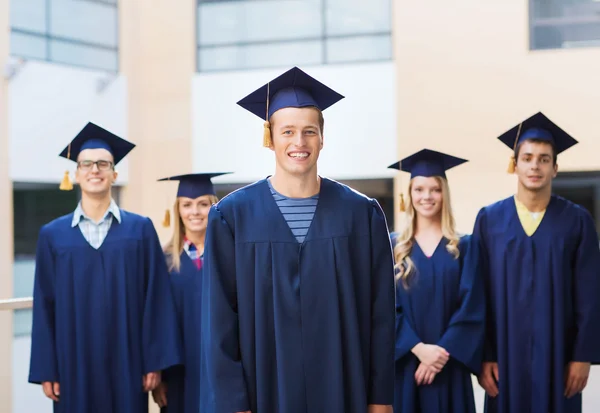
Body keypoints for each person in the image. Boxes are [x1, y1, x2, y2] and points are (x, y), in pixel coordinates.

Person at [200, 66, 396, 413]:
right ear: (270, 138)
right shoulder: (232, 217)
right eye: (287, 131)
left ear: (322, 137)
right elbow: (219, 321)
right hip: (263, 392)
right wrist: (233, 402)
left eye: (309, 131)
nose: (299, 142)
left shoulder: (361, 214)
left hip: (343, 386)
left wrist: (380, 398)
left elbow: (380, 314)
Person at [28, 122, 182, 413]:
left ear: (115, 174)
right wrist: (46, 367)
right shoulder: (53, 234)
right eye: (86, 164)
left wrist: (155, 361)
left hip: (129, 360)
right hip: (72, 361)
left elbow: (156, 298)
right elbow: (44, 303)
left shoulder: (140, 229)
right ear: (75, 174)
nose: (94, 170)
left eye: (103, 164)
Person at [474, 112, 600, 413]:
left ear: (555, 168)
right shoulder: (490, 220)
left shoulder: (577, 221)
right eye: (528, 157)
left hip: (559, 355)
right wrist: (484, 355)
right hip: (504, 356)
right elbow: (478, 293)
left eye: (544, 159)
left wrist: (582, 356)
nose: (535, 165)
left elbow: (590, 293)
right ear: (514, 165)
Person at [389, 149, 485, 413]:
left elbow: (472, 306)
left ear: (445, 194)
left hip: (449, 365)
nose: (427, 197)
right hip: (407, 365)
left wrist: (440, 353)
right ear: (409, 194)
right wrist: (418, 349)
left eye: (435, 189)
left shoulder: (464, 246)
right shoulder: (393, 247)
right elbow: (383, 306)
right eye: (419, 189)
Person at [151, 172, 230, 413]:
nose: (194, 212)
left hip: (222, 366)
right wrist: (160, 376)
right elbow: (156, 322)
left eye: (203, 204)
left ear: (214, 207)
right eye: (187, 205)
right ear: (178, 210)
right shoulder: (163, 261)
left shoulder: (231, 256)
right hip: (178, 371)